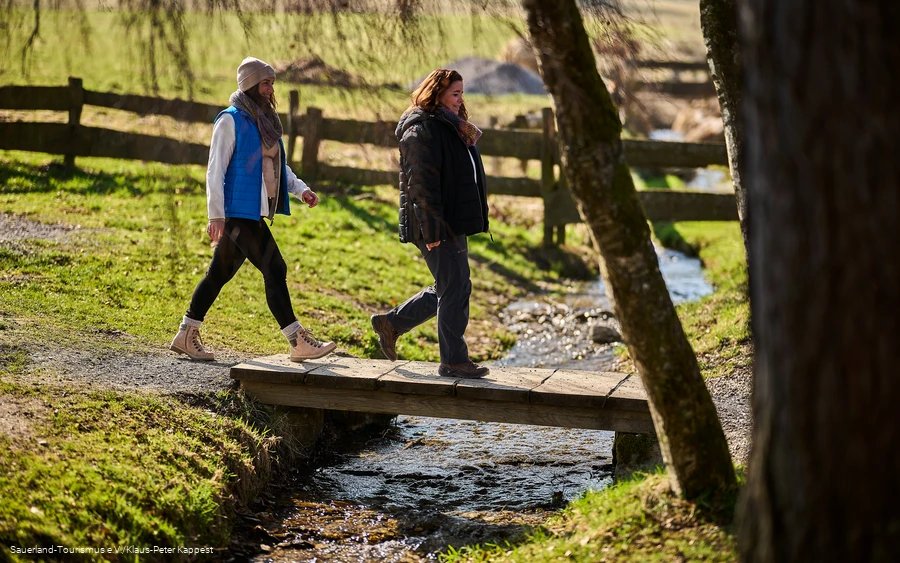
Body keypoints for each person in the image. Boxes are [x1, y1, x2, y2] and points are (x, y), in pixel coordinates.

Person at [170, 56, 336, 363]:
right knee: (275, 268)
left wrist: (301, 190)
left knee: (219, 273)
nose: (270, 88)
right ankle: (297, 340)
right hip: (236, 212)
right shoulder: (230, 120)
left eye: (272, 82)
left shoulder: (267, 122)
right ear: (249, 85)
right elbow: (214, 170)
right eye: (265, 82)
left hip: (252, 211)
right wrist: (215, 214)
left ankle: (186, 334)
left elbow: (277, 167)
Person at [370, 69, 491, 379]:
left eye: (462, 92)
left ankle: (392, 324)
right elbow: (420, 184)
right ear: (437, 94)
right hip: (435, 223)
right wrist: (432, 229)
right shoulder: (421, 129)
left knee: (452, 285)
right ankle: (453, 360)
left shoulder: (450, 125)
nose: (461, 99)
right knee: (454, 287)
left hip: (450, 220)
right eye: (455, 93)